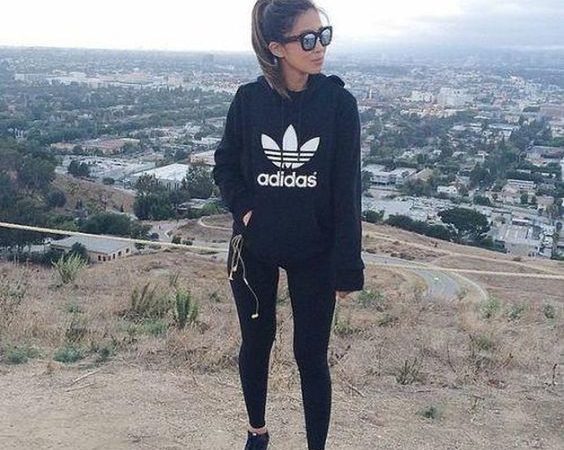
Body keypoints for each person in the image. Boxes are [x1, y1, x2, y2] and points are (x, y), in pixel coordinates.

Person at [212, 1, 365, 448]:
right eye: (308, 39)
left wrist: (348, 266)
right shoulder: (248, 101)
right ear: (277, 47)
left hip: (315, 250)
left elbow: (347, 190)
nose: (320, 47)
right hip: (255, 247)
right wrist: (246, 211)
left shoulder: (338, 104)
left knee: (311, 355)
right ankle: (257, 433)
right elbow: (225, 166)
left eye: (323, 35)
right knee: (256, 343)